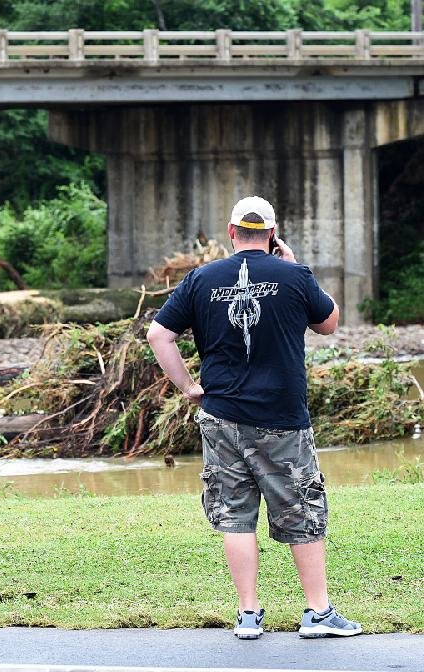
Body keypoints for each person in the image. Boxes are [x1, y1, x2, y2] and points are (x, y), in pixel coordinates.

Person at [146, 196, 361, 640]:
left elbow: (158, 334)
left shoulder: (200, 279)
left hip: (221, 416)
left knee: (235, 515)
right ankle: (318, 614)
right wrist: (296, 267)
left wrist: (189, 387)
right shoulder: (294, 275)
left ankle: (248, 615)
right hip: (281, 418)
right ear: (271, 233)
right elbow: (329, 324)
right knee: (301, 510)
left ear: (230, 233)